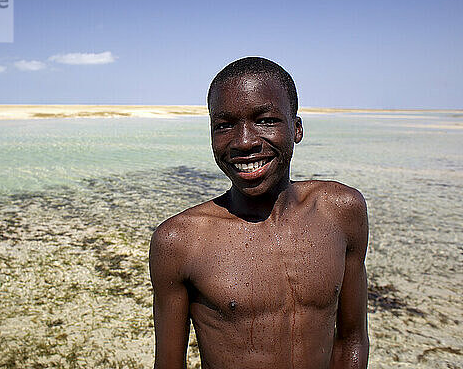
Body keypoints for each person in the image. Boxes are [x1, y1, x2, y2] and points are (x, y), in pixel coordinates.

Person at [149, 57, 369, 369]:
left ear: (296, 128)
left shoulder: (341, 211)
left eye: (265, 120)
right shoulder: (180, 241)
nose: (244, 142)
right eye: (224, 125)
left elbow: (352, 338)